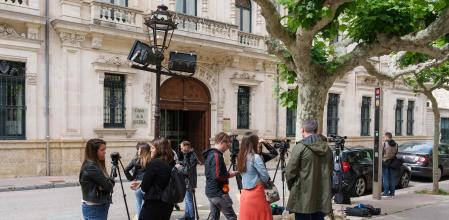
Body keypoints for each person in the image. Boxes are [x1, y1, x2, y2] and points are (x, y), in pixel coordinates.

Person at [285, 119, 333, 220]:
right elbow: (330, 172)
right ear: (316, 130)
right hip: (321, 196)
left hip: (302, 197)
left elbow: (289, 173)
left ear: (302, 130)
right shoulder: (327, 149)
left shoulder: (300, 147)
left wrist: (292, 187)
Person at [203, 132, 239, 220]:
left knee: (214, 217)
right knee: (232, 217)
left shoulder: (210, 154)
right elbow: (217, 176)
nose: (227, 148)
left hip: (211, 191)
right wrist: (230, 174)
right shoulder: (216, 155)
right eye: (227, 145)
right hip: (218, 193)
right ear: (221, 142)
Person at [237, 133, 273, 220]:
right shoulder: (255, 157)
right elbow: (265, 176)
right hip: (257, 193)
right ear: (252, 143)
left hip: (245, 193)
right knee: (263, 216)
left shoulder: (240, 157)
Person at [139, 138, 175, 220]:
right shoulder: (170, 162)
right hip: (167, 203)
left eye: (152, 148)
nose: (150, 150)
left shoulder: (155, 163)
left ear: (160, 149)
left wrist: (142, 184)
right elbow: (160, 181)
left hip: (154, 204)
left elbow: (144, 187)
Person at [79, 138, 115, 220]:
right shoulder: (91, 167)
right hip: (95, 208)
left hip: (95, 206)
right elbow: (108, 187)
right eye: (102, 150)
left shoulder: (92, 164)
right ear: (94, 152)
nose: (105, 152)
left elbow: (106, 185)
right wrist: (109, 182)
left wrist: (105, 184)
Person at [124, 142, 151, 218]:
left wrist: (131, 178)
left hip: (137, 184)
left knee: (138, 202)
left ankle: (139, 217)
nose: (138, 151)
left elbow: (126, 170)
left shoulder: (135, 160)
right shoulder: (151, 160)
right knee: (144, 202)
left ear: (143, 151)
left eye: (139, 150)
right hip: (146, 184)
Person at [175, 141, 199, 220]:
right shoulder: (187, 154)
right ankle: (187, 215)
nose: (181, 149)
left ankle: (191, 217)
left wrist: (179, 167)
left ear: (186, 147)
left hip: (189, 181)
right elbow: (186, 165)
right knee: (186, 199)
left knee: (189, 200)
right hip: (186, 180)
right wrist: (180, 163)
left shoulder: (191, 156)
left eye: (182, 148)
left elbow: (187, 171)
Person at [382, 132, 399, 197]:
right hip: (393, 162)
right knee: (392, 178)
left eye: (384, 137)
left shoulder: (385, 144)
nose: (384, 138)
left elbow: (382, 153)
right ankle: (392, 193)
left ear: (387, 137)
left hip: (385, 162)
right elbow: (396, 153)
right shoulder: (396, 144)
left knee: (385, 178)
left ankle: (386, 192)